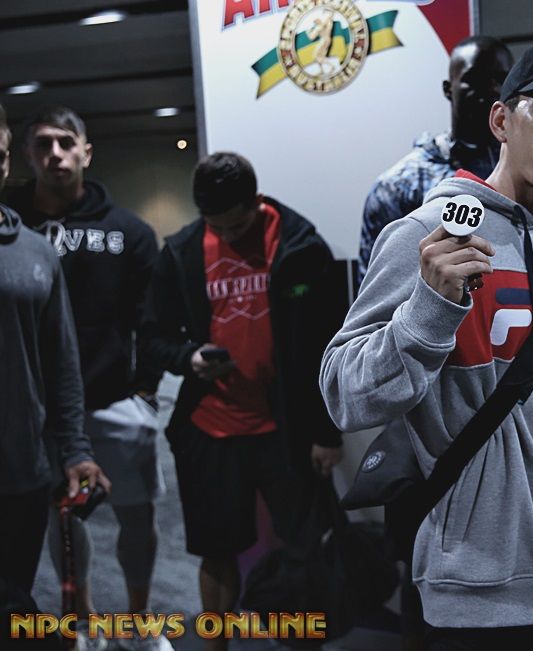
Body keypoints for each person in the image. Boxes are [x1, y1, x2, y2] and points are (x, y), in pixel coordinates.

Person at [321, 42, 533, 649]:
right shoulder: (425, 237)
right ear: (501, 120)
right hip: (475, 599)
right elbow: (346, 396)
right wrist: (429, 309)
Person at [143, 152, 344, 651]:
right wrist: (189, 358)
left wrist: (326, 432)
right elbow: (151, 338)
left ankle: (303, 642)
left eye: (237, 224)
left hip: (287, 429)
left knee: (303, 549)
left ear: (256, 201)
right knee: (217, 552)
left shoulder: (300, 245)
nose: (227, 235)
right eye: (216, 225)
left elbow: (331, 343)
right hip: (211, 426)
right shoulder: (183, 252)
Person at [4, 105, 164, 649]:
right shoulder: (11, 227)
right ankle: (84, 620)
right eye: (43, 144)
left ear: (86, 153)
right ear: (25, 156)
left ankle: (139, 622)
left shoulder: (128, 232)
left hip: (113, 400)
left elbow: (153, 319)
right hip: (36, 412)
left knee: (136, 517)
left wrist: (144, 392)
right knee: (64, 524)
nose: (55, 154)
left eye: (66, 143)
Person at [356, 35, 533, 287]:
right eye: (475, 80)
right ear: (448, 89)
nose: (492, 89)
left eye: (501, 80)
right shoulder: (401, 186)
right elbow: (377, 289)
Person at [0, 103, 109, 608]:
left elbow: (61, 364)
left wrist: (77, 450)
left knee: (14, 601)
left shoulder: (35, 251)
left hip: (21, 470)